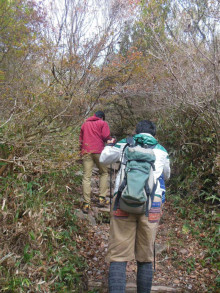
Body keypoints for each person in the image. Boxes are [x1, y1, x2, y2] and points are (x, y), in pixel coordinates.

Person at [99, 120, 170, 293]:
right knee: (145, 256)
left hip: (123, 200)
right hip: (151, 203)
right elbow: (166, 175)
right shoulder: (161, 150)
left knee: (118, 255)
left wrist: (110, 145)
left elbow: (103, 158)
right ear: (153, 133)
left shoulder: (125, 144)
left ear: (136, 131)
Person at [79, 111, 112, 213]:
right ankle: (101, 198)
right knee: (104, 172)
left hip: (86, 152)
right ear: (102, 117)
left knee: (86, 176)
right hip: (99, 151)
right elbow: (106, 137)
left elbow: (80, 140)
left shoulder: (85, 124)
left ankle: (86, 204)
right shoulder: (102, 123)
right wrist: (111, 141)